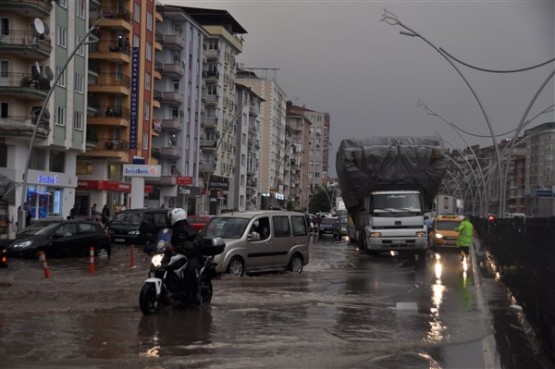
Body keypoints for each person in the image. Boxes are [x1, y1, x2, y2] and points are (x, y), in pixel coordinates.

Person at [168, 208, 202, 304]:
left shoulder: (187, 228)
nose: (170, 218)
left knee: (189, 270)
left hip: (191, 255)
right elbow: (167, 241)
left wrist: (192, 244)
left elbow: (197, 238)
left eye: (171, 216)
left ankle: (195, 294)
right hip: (178, 254)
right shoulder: (173, 229)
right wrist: (154, 245)